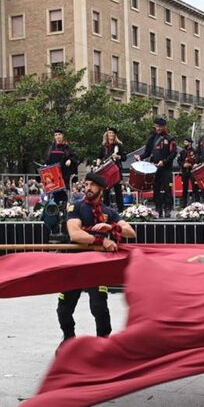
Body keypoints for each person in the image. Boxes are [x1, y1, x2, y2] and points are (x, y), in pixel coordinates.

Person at [60, 173, 136, 344]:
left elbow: (131, 232)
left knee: (99, 307)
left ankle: (103, 342)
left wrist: (112, 227)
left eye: (92, 185)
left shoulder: (109, 212)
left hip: (96, 266)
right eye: (86, 184)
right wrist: (103, 240)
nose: (88, 188)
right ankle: (68, 339)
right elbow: (75, 234)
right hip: (74, 264)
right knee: (64, 308)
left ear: (101, 189)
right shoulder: (76, 207)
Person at [138, 117, 176, 217]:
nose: (158, 128)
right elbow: (147, 152)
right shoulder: (152, 137)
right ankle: (158, 208)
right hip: (154, 168)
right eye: (157, 126)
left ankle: (167, 209)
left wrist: (164, 162)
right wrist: (140, 156)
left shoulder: (169, 138)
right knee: (156, 189)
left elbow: (173, 154)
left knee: (167, 189)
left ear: (164, 127)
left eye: (160, 126)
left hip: (166, 168)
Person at [45, 129, 79, 204]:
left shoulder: (67, 147)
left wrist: (70, 160)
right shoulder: (51, 148)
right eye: (56, 135)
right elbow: (47, 160)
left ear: (62, 136)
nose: (58, 137)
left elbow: (75, 157)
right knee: (54, 198)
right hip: (53, 177)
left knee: (64, 197)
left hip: (64, 176)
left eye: (59, 135)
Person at [98, 127, 127, 212]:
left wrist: (118, 156)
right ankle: (106, 211)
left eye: (112, 133)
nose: (111, 135)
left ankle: (121, 210)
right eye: (109, 133)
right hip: (106, 171)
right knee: (106, 191)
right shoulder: (104, 146)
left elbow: (124, 157)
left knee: (118, 191)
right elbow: (99, 157)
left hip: (116, 170)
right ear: (107, 134)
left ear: (115, 135)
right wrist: (98, 164)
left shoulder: (119, 145)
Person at [177, 137, 199, 208]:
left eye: (186, 142)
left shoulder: (194, 151)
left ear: (190, 143)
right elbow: (179, 160)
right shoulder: (182, 152)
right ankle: (184, 205)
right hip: (184, 172)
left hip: (192, 171)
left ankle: (196, 203)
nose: (184, 143)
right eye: (184, 142)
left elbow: (197, 160)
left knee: (195, 188)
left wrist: (191, 164)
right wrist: (183, 164)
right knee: (184, 188)